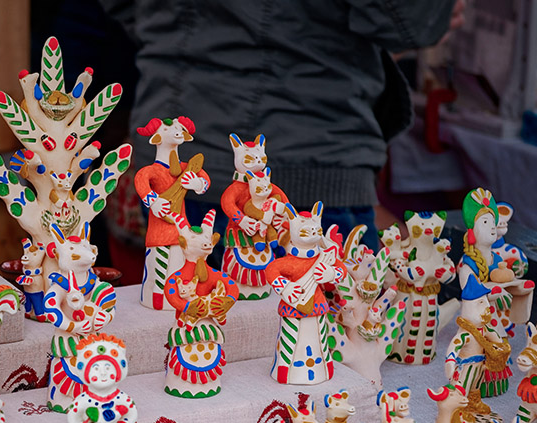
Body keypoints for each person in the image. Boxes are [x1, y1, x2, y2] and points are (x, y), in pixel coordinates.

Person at [102, 0, 462, 250]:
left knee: (190, 326)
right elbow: (408, 20)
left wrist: (185, 40)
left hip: (184, 135)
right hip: (300, 149)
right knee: (316, 333)